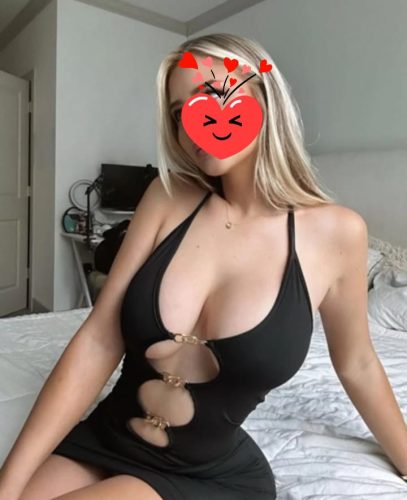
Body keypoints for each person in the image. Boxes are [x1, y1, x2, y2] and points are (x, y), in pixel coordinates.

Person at [1, 32, 405, 500]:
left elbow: (357, 363)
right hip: (106, 437)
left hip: (205, 475)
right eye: (179, 114)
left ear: (265, 96)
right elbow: (98, 339)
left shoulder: (339, 234)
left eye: (212, 94)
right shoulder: (167, 196)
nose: (194, 123)